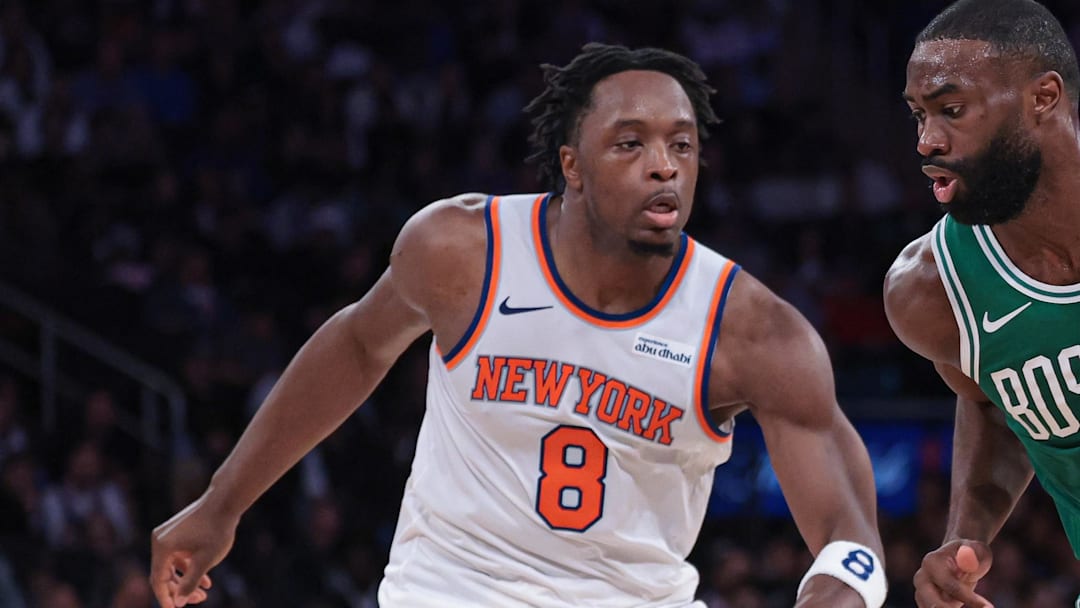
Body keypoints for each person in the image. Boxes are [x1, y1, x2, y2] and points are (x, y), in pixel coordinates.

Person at [151, 43, 886, 608]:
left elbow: (851, 532)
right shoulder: (462, 250)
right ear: (572, 163)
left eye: (682, 145)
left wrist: (837, 586)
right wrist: (223, 504)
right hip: (448, 589)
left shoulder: (754, 331)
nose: (664, 167)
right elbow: (355, 345)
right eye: (630, 144)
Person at [886, 1, 1080, 606]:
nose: (928, 141)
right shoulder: (933, 290)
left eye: (951, 110)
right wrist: (965, 538)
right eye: (919, 115)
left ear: (1043, 98)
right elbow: (999, 403)